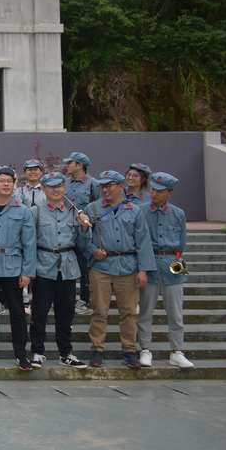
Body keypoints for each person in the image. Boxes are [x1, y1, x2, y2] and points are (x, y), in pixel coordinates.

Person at [83, 170, 155, 368]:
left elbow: (143, 241)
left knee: (129, 312)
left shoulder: (134, 210)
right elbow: (83, 238)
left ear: (121, 186)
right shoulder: (92, 209)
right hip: (101, 266)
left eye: (109, 186)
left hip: (128, 266)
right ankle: (97, 349)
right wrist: (92, 250)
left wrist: (143, 270)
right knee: (99, 310)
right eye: (102, 186)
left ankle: (129, 350)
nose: (105, 190)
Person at [0, 166, 37, 370]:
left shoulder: (23, 211)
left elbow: (29, 243)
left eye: (9, 181)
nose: (6, 184)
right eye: (1, 181)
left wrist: (27, 272)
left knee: (17, 312)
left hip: (13, 267)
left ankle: (21, 354)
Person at [28, 172, 91, 369]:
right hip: (43, 266)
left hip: (68, 267)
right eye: (51, 186)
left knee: (66, 313)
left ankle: (66, 353)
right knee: (39, 313)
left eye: (60, 186)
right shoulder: (35, 212)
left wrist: (84, 228)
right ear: (44, 189)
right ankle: (37, 351)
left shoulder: (74, 212)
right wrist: (29, 270)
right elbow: (29, 244)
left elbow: (82, 244)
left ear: (65, 188)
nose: (56, 190)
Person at [137, 172, 193, 368]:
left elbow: (182, 242)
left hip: (171, 264)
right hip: (149, 262)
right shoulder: (141, 211)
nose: (154, 194)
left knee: (176, 313)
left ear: (169, 193)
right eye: (152, 189)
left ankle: (177, 351)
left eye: (160, 191)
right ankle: (145, 349)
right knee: (145, 311)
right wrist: (142, 268)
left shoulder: (178, 213)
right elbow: (139, 241)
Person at [63, 151, 100, 317]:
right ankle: (65, 299)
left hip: (85, 233)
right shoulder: (65, 183)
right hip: (66, 231)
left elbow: (99, 207)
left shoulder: (94, 184)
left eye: (70, 163)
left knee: (85, 268)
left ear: (80, 165)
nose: (67, 166)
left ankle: (85, 300)